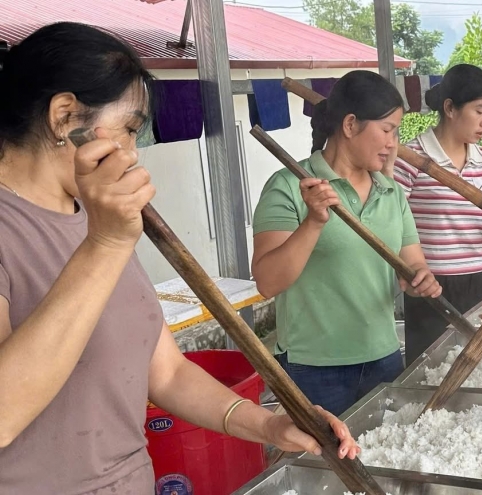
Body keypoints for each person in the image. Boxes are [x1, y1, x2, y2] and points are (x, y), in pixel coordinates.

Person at [0, 22, 358, 495]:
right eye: (129, 131)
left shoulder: (94, 215)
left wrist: (270, 426)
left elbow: (165, 372)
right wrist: (105, 244)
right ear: (65, 116)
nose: (132, 153)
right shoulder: (77, 229)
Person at [251, 70, 442, 416]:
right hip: (313, 368)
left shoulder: (391, 192)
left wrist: (420, 279)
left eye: (396, 132)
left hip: (383, 359)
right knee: (323, 467)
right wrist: (313, 222)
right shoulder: (290, 186)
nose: (393, 143)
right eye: (387, 130)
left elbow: (413, 263)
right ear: (350, 125)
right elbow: (267, 282)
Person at [393, 64, 482, 365]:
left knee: (481, 364)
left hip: (481, 280)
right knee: (430, 369)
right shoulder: (411, 157)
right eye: (479, 110)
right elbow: (391, 223)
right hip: (431, 285)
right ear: (450, 108)